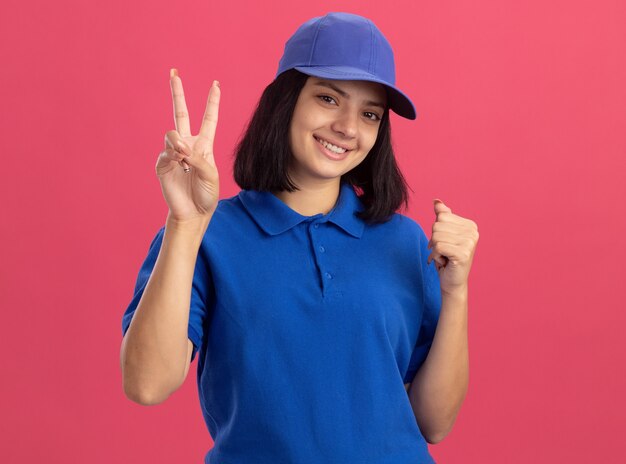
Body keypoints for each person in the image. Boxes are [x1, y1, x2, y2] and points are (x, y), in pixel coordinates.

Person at [120, 12, 478, 464]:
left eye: (370, 113)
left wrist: (456, 291)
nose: (349, 127)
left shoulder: (406, 243)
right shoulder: (209, 236)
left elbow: (435, 423)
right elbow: (147, 384)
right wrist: (185, 225)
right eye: (329, 99)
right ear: (285, 101)